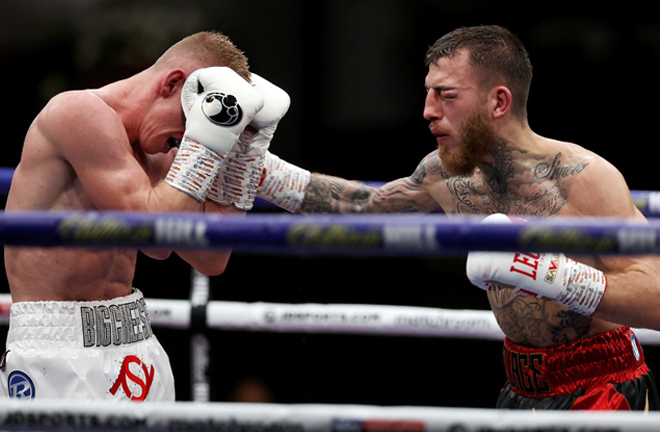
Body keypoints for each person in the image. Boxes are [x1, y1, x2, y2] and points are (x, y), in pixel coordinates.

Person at [254, 25, 660, 411]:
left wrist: (552, 275)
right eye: (428, 93)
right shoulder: (446, 173)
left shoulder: (582, 177)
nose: (428, 111)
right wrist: (260, 171)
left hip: (602, 387)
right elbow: (363, 205)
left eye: (446, 95)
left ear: (498, 102)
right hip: (519, 387)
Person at [1, 30, 290, 402]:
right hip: (57, 351)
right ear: (173, 84)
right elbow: (155, 233)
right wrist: (206, 141)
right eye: (193, 122)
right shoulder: (76, 112)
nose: (187, 141)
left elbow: (211, 257)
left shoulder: (156, 145)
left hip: (138, 346)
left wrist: (247, 148)